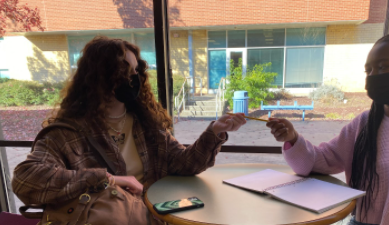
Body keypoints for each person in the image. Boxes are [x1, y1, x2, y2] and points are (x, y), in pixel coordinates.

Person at [12, 36, 246, 223]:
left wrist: (215, 131)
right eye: (125, 70)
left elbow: (185, 164)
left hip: (153, 215)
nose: (134, 77)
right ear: (100, 77)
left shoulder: (146, 125)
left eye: (136, 70)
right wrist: (107, 179)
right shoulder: (66, 134)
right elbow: (26, 180)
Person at [266, 31, 389, 225]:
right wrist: (292, 139)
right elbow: (318, 162)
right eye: (369, 71)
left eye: (383, 67)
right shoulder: (365, 124)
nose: (374, 76)